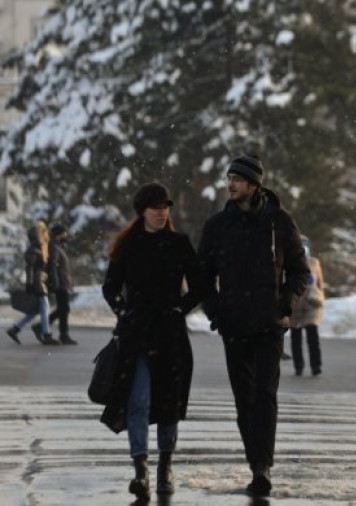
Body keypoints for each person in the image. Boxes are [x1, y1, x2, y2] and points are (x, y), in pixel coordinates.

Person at [198, 155, 309, 498]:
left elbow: (300, 271)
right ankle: (255, 459)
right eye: (228, 177)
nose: (231, 184)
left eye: (238, 179)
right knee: (244, 400)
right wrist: (216, 312)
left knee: (265, 396)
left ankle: (262, 467)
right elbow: (202, 277)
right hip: (234, 327)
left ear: (255, 184)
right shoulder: (217, 226)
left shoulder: (279, 222)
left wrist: (285, 304)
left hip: (269, 325)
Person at [100, 182, 204, 500]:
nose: (162, 213)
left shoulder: (179, 243)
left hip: (170, 335)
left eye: (165, 207)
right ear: (142, 211)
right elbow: (110, 287)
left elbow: (199, 286)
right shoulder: (128, 246)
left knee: (168, 403)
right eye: (155, 207)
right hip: (136, 335)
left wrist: (179, 309)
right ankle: (140, 469)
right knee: (139, 400)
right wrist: (123, 312)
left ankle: (165, 468)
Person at [6, 220, 58, 345]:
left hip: (40, 281)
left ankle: (15, 329)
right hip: (37, 283)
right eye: (44, 232)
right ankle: (46, 335)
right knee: (44, 307)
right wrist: (30, 285)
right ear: (38, 235)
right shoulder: (34, 249)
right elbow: (29, 269)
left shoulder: (40, 248)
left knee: (34, 310)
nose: (47, 235)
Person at [33, 224, 77, 345]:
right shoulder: (53, 246)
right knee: (64, 309)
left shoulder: (58, 246)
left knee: (63, 309)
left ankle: (40, 326)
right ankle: (64, 335)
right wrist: (56, 283)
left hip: (63, 283)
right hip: (60, 284)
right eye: (65, 233)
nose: (66, 235)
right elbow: (52, 266)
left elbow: (62, 267)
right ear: (59, 234)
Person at [290, 235, 325, 376]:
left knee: (312, 336)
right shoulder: (288, 262)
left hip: (312, 303)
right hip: (295, 304)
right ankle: (298, 366)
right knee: (296, 337)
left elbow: (319, 283)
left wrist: (320, 297)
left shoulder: (314, 263)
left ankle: (316, 366)